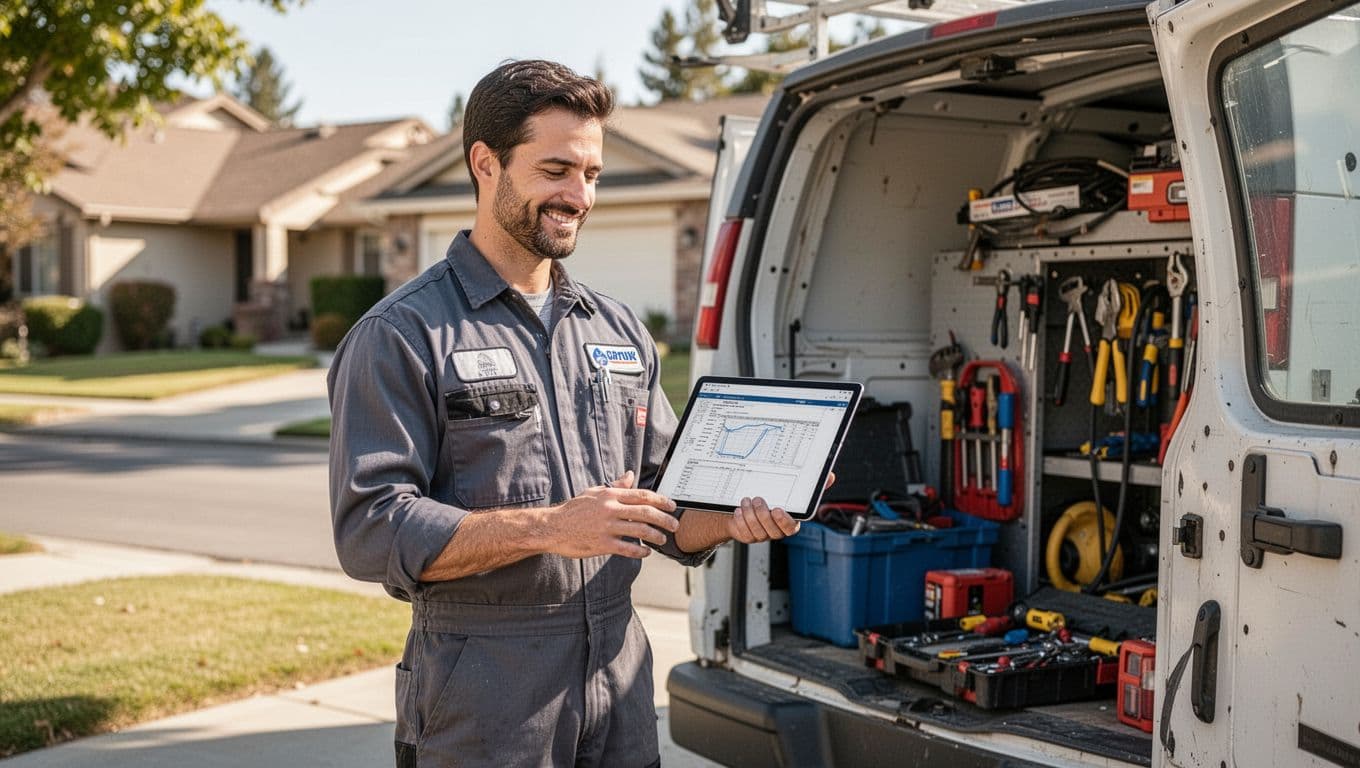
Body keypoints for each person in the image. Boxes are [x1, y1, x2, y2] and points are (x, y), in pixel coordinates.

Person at [327, 59, 805, 768]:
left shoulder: (616, 329)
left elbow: (664, 507)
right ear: (485, 164)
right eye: (556, 170)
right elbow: (369, 528)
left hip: (619, 686)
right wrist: (551, 528)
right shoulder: (402, 334)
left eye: (592, 174)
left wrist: (731, 517)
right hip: (484, 696)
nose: (578, 195)